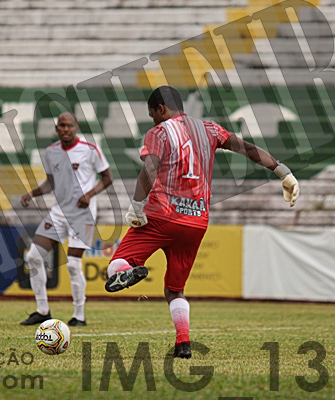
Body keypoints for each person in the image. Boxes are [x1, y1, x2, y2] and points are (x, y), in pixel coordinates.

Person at [104, 86, 300, 358]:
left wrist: (136, 206)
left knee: (115, 266)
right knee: (175, 290)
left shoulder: (159, 132)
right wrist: (283, 172)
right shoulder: (210, 129)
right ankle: (183, 343)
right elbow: (247, 148)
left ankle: (129, 271)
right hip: (196, 221)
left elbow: (149, 168)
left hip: (161, 216)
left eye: (153, 114)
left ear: (161, 109)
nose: (153, 120)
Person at [20, 112, 113, 326]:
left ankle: (79, 315)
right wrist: (32, 194)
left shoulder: (90, 150)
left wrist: (89, 194)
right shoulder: (51, 152)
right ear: (57, 128)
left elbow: (108, 177)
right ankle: (42, 311)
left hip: (83, 214)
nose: (65, 129)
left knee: (72, 264)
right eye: (61, 125)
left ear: (76, 127)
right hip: (59, 212)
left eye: (69, 125)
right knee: (34, 256)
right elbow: (50, 183)